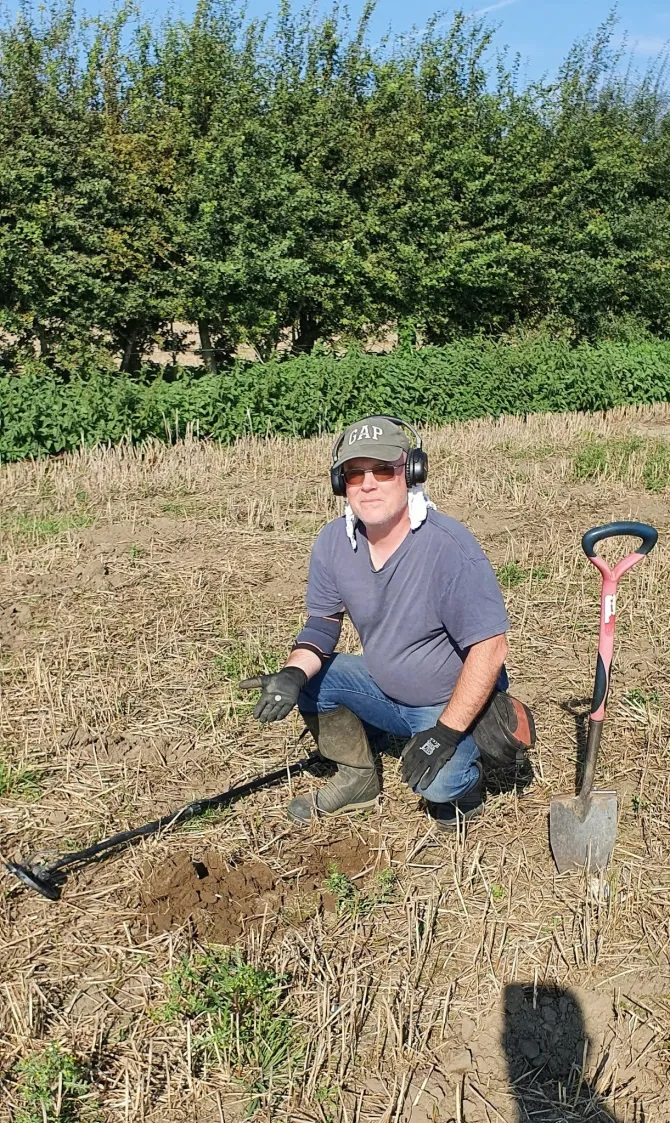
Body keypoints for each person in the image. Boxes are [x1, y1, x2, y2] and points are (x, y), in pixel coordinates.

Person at [241, 416, 534, 830]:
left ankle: (467, 777)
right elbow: (324, 621)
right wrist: (292, 671)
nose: (368, 483)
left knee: (437, 786)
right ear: (340, 483)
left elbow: (491, 649)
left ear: (411, 472)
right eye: (354, 473)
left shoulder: (448, 547)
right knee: (312, 679)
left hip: (447, 703)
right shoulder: (332, 543)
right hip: (383, 686)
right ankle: (358, 777)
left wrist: (445, 734)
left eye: (383, 469)